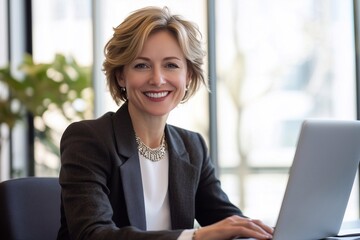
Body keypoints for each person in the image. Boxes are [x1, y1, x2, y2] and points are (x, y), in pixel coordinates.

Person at [57, 6, 273, 240]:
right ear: (121, 76)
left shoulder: (192, 147)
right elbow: (93, 234)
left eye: (171, 65)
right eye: (142, 65)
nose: (157, 79)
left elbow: (230, 224)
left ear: (188, 75)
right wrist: (195, 237)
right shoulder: (89, 140)